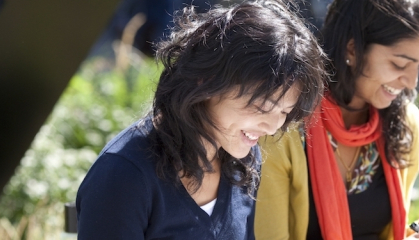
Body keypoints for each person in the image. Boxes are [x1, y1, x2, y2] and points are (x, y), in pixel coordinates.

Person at [75, 0, 327, 239]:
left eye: (284, 112)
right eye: (262, 107)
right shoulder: (123, 175)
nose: (273, 127)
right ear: (206, 80)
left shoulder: (243, 161)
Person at [254, 0, 419, 239]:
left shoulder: (405, 123)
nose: (411, 82)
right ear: (352, 49)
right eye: (399, 64)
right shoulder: (284, 125)